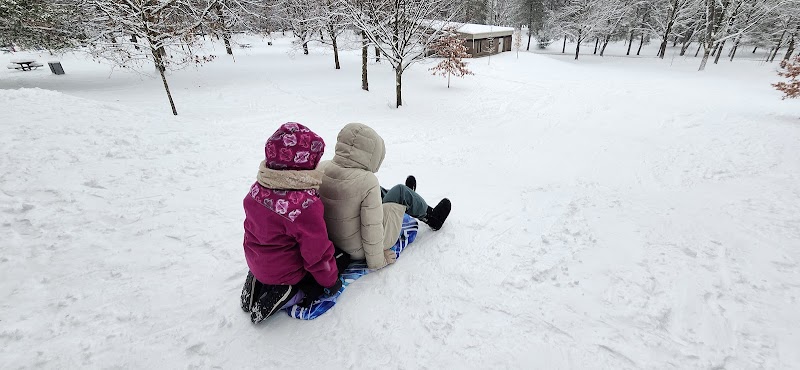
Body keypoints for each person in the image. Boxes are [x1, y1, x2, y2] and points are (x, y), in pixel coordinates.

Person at [239, 122, 347, 324]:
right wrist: (330, 281)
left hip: (255, 260)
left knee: (272, 256)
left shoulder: (256, 190)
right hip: (286, 273)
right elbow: (318, 253)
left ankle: (257, 279)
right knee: (330, 269)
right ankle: (288, 293)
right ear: (302, 165)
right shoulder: (304, 205)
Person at [318, 122, 451, 270]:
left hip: (336, 239)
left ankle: (408, 200)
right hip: (358, 247)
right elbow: (371, 227)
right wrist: (378, 260)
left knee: (375, 191)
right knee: (400, 191)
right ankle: (432, 217)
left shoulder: (322, 167)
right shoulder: (367, 181)